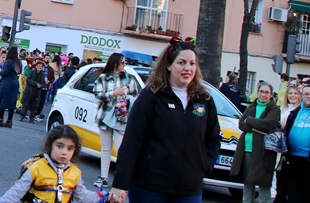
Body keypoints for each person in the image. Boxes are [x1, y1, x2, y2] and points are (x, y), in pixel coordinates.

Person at [110, 38, 221, 203]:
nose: (187, 68)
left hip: (189, 189)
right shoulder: (151, 96)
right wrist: (120, 183)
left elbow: (213, 138)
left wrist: (204, 167)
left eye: (192, 63)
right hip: (149, 188)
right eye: (181, 62)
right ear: (169, 65)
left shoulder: (204, 100)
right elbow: (132, 141)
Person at [0, 124, 101, 203]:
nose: (64, 152)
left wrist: (105, 197)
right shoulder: (36, 167)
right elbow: (17, 192)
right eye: (60, 146)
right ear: (49, 146)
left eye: (70, 148)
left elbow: (83, 196)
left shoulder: (75, 172)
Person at [92, 52, 141, 189]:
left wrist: (126, 97)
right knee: (106, 148)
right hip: (105, 116)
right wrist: (114, 94)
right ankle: (103, 177)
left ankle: (121, 179)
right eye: (123, 62)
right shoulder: (103, 78)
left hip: (122, 117)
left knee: (122, 149)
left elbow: (136, 96)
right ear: (115, 64)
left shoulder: (129, 79)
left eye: (125, 62)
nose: (124, 65)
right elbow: (97, 95)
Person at [231, 81, 281, 203]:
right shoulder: (252, 106)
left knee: (264, 181)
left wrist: (250, 121)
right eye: (261, 91)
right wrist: (253, 126)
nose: (263, 94)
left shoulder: (274, 109)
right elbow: (241, 124)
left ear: (271, 95)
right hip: (247, 149)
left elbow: (268, 124)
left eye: (266, 92)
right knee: (248, 180)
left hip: (264, 152)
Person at [0, 44, 22, 127]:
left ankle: (0, 119)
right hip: (15, 82)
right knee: (12, 102)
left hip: (7, 82)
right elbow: (19, 72)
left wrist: (0, 71)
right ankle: (9, 121)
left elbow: (4, 73)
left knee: (3, 100)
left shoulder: (8, 62)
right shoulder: (18, 62)